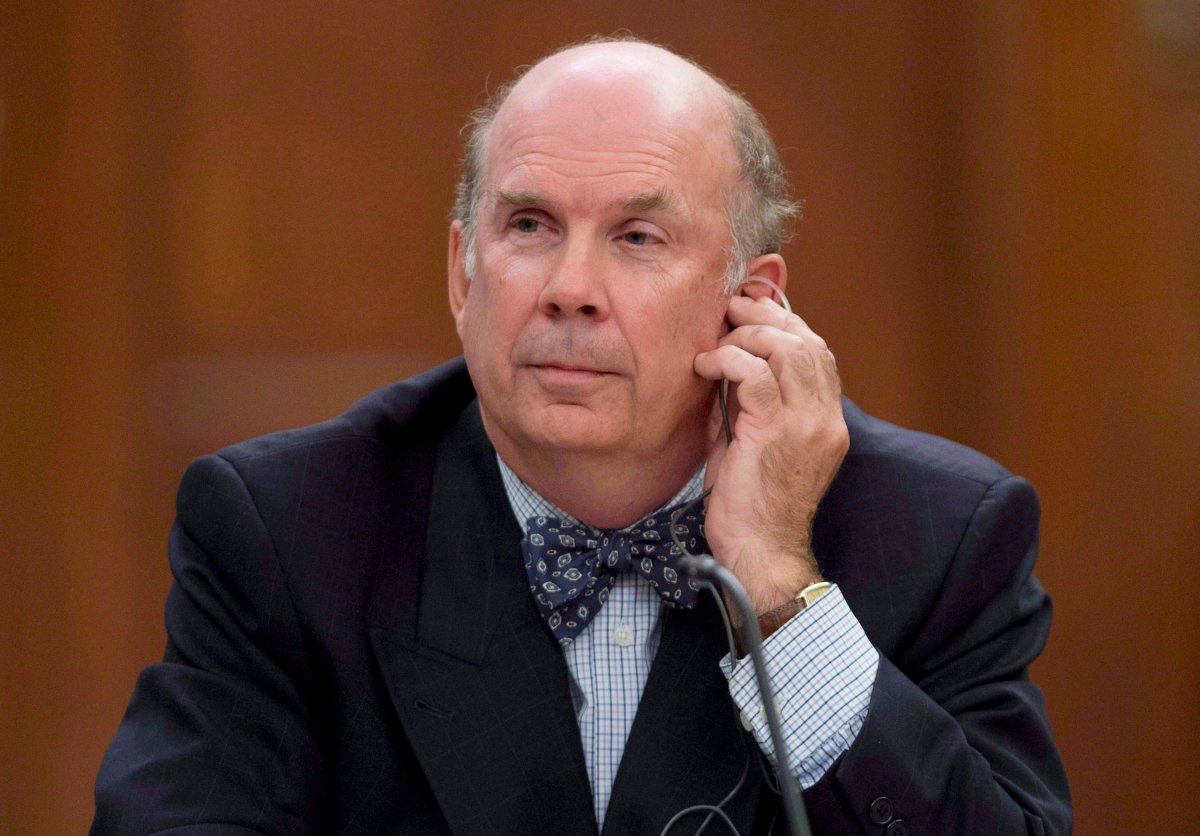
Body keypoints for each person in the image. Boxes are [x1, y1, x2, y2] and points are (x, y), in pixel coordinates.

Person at [92, 37, 1072, 835]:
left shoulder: (938, 531)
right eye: (529, 224)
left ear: (753, 300)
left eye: (638, 238)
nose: (570, 285)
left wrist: (778, 587)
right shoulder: (291, 527)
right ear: (463, 275)